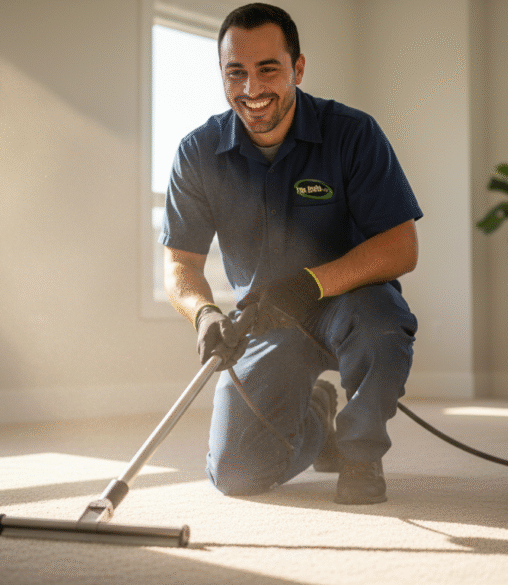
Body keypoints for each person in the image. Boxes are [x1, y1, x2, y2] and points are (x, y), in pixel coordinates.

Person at [161, 3, 420, 505]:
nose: (251, 89)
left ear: (298, 68)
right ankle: (319, 424)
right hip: (268, 318)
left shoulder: (353, 134)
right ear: (221, 74)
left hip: (353, 304)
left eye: (268, 70)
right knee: (235, 473)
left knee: (383, 327)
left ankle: (360, 453)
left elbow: (400, 246)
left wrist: (311, 283)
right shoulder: (198, 154)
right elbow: (180, 266)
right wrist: (204, 313)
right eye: (235, 72)